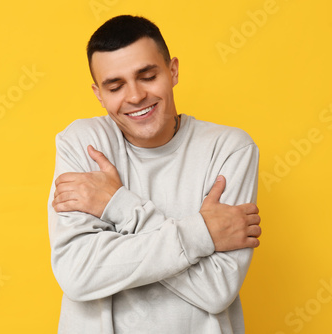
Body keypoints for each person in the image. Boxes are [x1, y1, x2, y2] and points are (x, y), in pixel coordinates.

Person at [48, 15, 261, 334]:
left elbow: (216, 290)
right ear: (98, 94)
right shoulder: (83, 143)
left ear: (172, 71)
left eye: (147, 76)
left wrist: (117, 205)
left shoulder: (230, 149)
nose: (135, 97)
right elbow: (78, 274)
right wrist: (201, 232)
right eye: (115, 86)